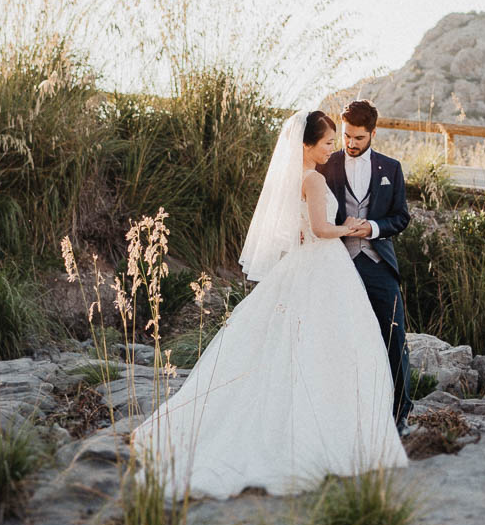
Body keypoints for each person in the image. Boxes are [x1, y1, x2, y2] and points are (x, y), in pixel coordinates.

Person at [130, 109, 407, 498]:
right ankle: (330, 426)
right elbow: (319, 229)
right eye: (328, 142)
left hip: (316, 264)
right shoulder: (312, 177)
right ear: (308, 145)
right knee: (331, 344)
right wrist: (349, 228)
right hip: (323, 264)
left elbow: (301, 225)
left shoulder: (303, 176)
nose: (335, 147)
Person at [319, 100, 413, 430]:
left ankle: (400, 414)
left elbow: (401, 217)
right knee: (337, 338)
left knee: (393, 336)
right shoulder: (326, 165)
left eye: (358, 137)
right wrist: (339, 225)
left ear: (373, 133)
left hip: (377, 264)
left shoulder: (391, 168)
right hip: (337, 264)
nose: (351, 143)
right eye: (346, 136)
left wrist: (372, 227)